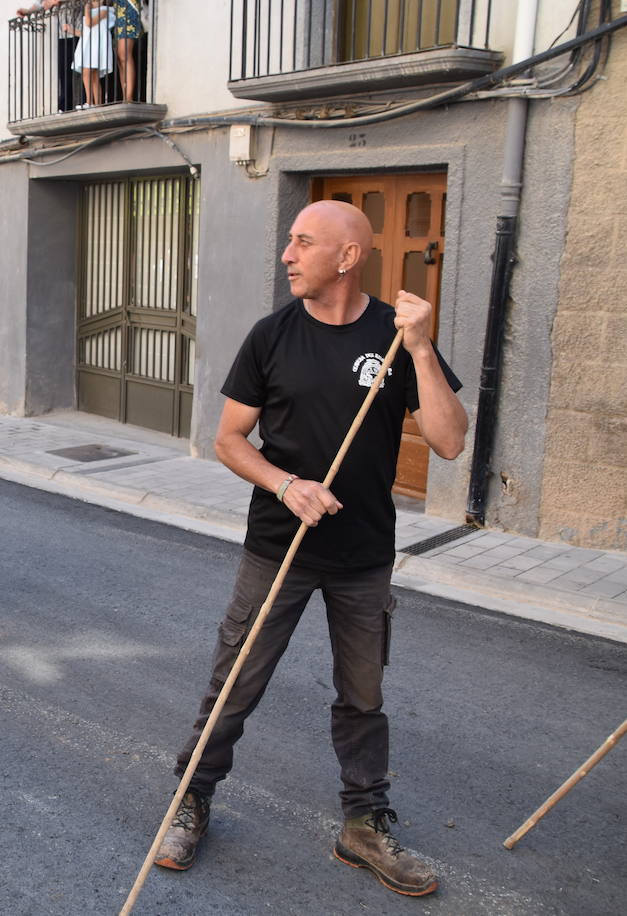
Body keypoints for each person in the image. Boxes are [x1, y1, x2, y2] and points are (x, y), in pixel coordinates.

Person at [153, 201, 467, 897]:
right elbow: (229, 440)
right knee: (235, 683)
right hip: (277, 547)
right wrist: (286, 484)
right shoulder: (272, 336)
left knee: (363, 697)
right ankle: (191, 801)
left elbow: (449, 440)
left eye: (303, 242)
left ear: (348, 257)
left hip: (363, 555)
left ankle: (362, 826)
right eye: (290, 242)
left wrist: (419, 347)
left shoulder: (395, 336)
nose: (288, 255)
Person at [73, 1, 113, 109]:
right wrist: (71, 30)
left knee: (89, 73)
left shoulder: (105, 11)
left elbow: (89, 23)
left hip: (97, 44)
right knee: (91, 74)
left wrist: (86, 9)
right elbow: (85, 31)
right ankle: (96, 103)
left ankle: (90, 102)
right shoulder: (91, 12)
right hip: (89, 43)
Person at [110, 0, 146, 101]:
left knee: (124, 54)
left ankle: (129, 97)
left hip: (129, 8)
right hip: (119, 12)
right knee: (120, 57)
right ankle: (125, 95)